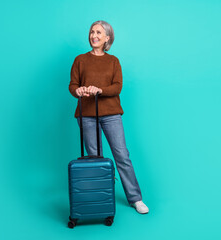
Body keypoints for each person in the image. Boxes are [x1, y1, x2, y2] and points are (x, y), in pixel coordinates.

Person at [68, 20, 149, 214]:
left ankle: (135, 198)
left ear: (107, 38)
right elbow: (72, 86)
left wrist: (99, 90)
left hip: (111, 114)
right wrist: (79, 90)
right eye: (91, 32)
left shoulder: (113, 61)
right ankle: (101, 197)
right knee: (95, 159)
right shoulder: (80, 59)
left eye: (98, 32)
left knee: (122, 156)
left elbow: (117, 87)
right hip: (87, 115)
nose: (93, 35)